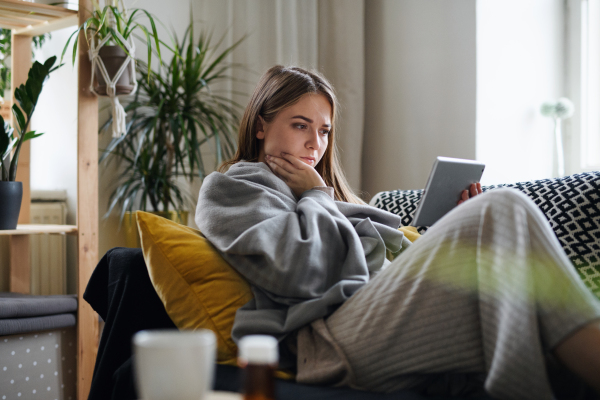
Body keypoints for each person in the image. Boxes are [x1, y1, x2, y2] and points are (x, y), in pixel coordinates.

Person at [86, 65, 600, 400]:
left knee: (503, 228)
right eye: (299, 124)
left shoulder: (330, 195)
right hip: (330, 342)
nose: (315, 142)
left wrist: (445, 230)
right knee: (507, 209)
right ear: (262, 125)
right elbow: (300, 272)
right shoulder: (233, 188)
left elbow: (384, 263)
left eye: (324, 130)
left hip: (375, 319)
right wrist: (314, 195)